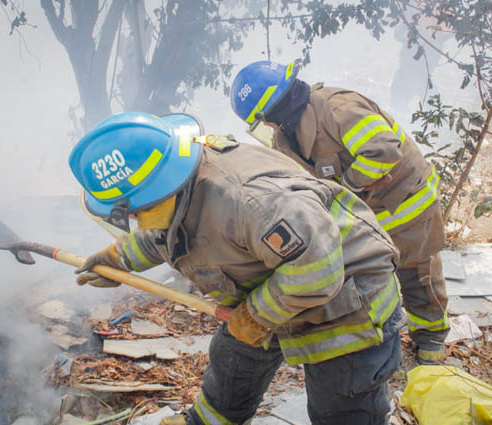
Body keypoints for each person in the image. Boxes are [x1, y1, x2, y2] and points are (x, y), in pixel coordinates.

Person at [69, 111, 406, 425]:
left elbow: (317, 268)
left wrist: (256, 316)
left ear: (161, 187)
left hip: (347, 300)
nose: (132, 220)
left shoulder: (252, 201)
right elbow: (165, 235)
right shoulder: (175, 187)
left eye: (134, 211)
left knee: (340, 405)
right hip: (275, 288)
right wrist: (117, 258)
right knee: (232, 364)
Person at [229, 60, 449, 366]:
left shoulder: (337, 109)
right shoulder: (285, 138)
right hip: (366, 216)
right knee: (369, 277)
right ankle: (379, 335)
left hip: (406, 204)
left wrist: (347, 187)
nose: (266, 129)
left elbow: (383, 150)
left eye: (263, 121)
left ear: (274, 113)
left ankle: (431, 339)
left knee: (416, 274)